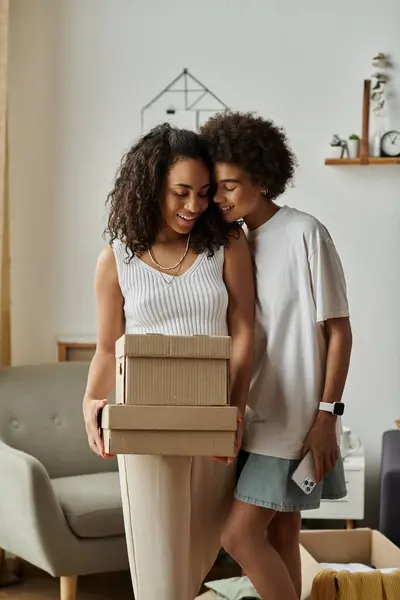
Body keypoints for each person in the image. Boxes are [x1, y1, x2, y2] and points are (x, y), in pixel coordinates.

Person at [82, 123, 255, 600]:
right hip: (144, 423)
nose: (194, 206)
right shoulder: (116, 260)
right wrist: (93, 403)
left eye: (203, 193)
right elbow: (106, 347)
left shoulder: (228, 246)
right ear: (150, 186)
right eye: (181, 192)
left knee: (197, 558)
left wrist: (232, 410)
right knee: (158, 574)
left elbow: (244, 332)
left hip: (212, 420)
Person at [200, 111, 353, 600]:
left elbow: (341, 333)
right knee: (281, 534)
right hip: (252, 413)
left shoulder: (306, 233)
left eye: (229, 186)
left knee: (238, 536)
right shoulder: (233, 244)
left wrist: (327, 415)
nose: (218, 198)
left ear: (262, 180)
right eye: (214, 188)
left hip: (293, 420)